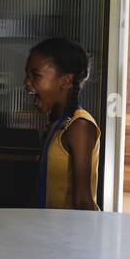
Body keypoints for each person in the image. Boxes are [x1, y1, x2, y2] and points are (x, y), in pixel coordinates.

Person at [24, 37, 100, 210]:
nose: (26, 83)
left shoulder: (79, 125)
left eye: (35, 75)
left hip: (70, 235)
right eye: (27, 75)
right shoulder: (58, 124)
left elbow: (83, 202)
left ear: (65, 81)